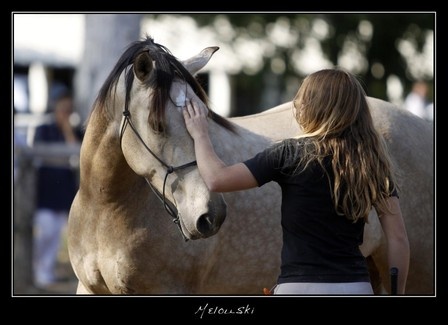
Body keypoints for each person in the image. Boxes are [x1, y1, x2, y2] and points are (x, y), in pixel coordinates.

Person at [183, 68, 410, 295]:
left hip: (298, 288)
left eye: (303, 98)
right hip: (355, 287)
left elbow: (216, 179)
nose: (298, 104)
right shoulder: (370, 162)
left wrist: (200, 134)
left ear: (314, 106)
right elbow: (398, 238)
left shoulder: (289, 153)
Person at [32, 89, 83, 288]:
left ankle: (46, 273)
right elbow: (40, 156)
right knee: (44, 233)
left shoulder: (75, 131)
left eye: (69, 109)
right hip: (45, 192)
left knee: (56, 237)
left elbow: (76, 154)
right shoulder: (43, 129)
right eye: (63, 108)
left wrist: (68, 130)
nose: (65, 112)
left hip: (64, 193)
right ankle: (39, 271)